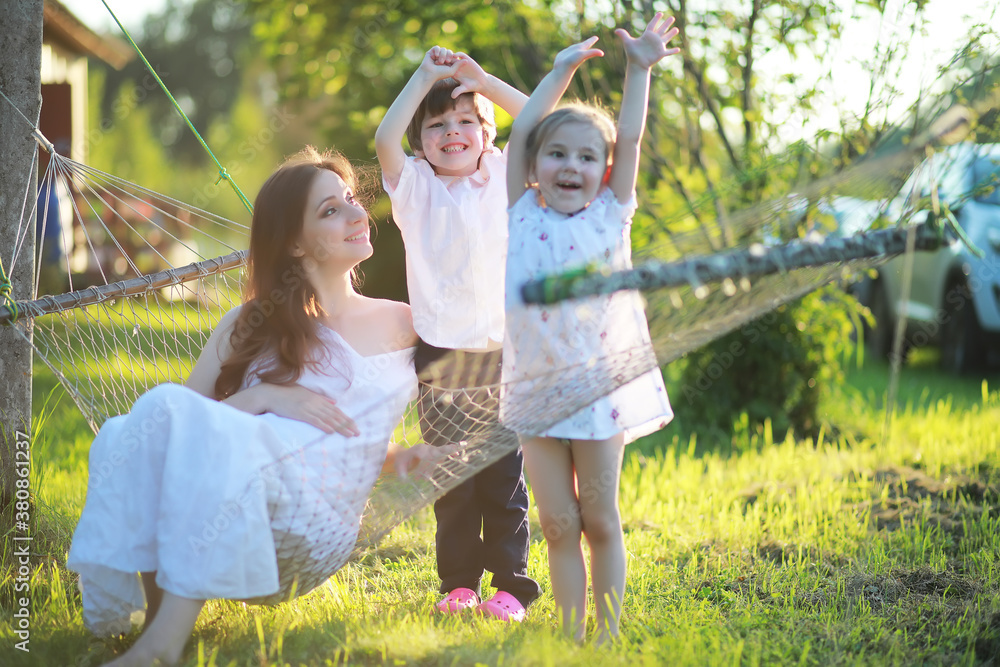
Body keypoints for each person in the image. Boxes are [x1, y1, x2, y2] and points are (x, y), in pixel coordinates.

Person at [67, 147, 448, 667]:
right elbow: (177, 426)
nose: (356, 213)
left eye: (350, 199)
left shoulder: (404, 322)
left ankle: (160, 648)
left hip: (318, 524)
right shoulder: (250, 323)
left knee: (184, 425)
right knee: (140, 425)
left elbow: (353, 434)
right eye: (330, 210)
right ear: (294, 244)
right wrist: (266, 396)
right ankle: (158, 627)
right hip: (250, 495)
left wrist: (400, 457)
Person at [501, 15, 679, 643]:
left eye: (585, 156)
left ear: (604, 171)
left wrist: (639, 70)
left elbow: (629, 137)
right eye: (557, 154)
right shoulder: (521, 211)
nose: (570, 165)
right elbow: (521, 130)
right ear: (534, 165)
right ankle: (571, 633)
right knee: (558, 524)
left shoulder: (610, 216)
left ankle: (607, 634)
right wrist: (561, 71)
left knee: (599, 518)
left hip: (601, 392)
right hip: (535, 391)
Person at [374, 46, 540, 621]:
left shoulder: (504, 176)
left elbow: (540, 119)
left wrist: (482, 81)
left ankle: (511, 587)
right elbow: (384, 139)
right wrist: (425, 77)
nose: (451, 131)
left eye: (466, 120)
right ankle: (460, 584)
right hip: (441, 357)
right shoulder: (415, 189)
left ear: (487, 134)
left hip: (502, 353)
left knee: (503, 478)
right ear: (421, 143)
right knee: (452, 479)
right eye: (437, 124)